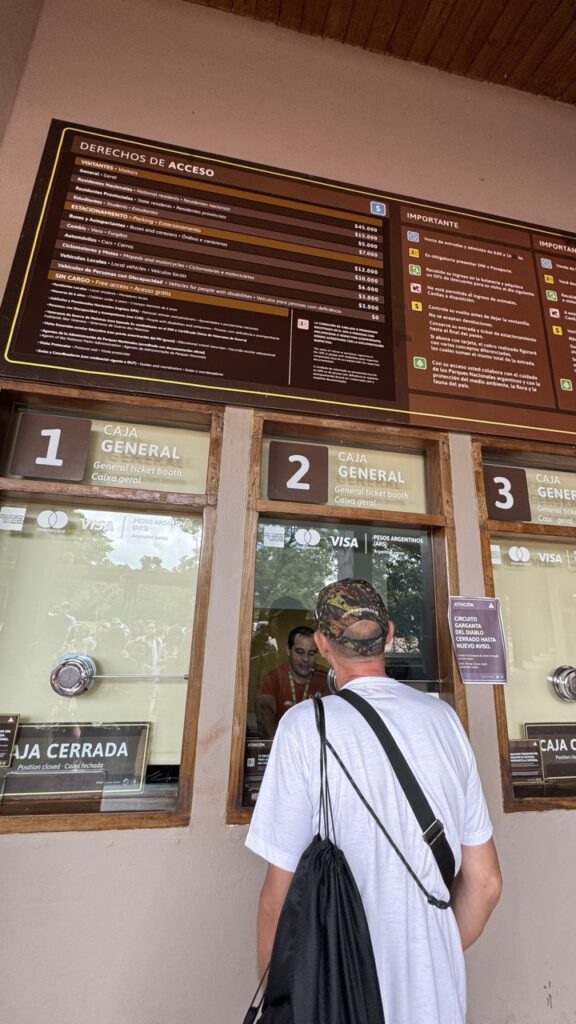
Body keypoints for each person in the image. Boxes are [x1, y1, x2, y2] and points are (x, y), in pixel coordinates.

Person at [245, 579, 502, 1024]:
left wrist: (283, 999)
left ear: (323, 644)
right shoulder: (444, 720)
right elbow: (485, 883)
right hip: (438, 999)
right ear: (389, 634)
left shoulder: (305, 727)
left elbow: (277, 899)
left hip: (336, 992)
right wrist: (430, 951)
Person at [254, 625, 330, 738]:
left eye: (311, 653)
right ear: (288, 650)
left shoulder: (326, 678)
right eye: (300, 652)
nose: (305, 659)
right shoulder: (271, 680)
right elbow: (267, 729)